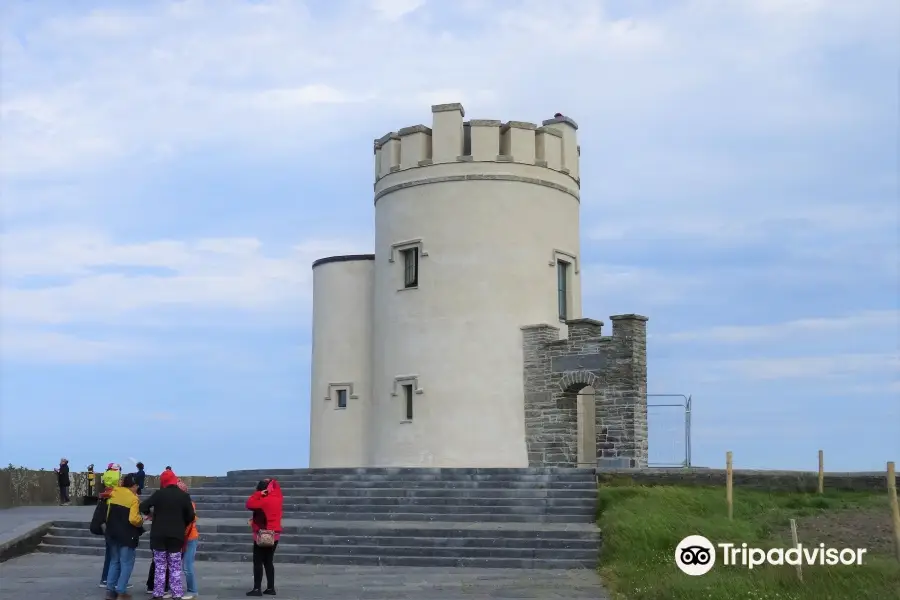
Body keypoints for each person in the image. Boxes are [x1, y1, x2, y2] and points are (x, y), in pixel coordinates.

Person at [140, 469, 195, 599]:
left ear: (163, 481)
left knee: (160, 565)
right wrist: (182, 522)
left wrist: (151, 515)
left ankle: (158, 593)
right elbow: (191, 516)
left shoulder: (159, 494)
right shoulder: (183, 496)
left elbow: (142, 506)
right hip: (176, 535)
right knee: (175, 566)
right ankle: (176, 593)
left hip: (158, 535)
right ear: (175, 479)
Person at [104, 473, 145, 599]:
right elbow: (133, 519)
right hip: (127, 535)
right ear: (133, 485)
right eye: (137, 486)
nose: (137, 489)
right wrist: (142, 520)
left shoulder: (113, 493)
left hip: (112, 533)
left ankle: (110, 591)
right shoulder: (133, 499)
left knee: (114, 561)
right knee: (126, 563)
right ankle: (121, 591)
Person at [245, 478, 283, 596]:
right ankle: (271, 588)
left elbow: (249, 504)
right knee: (268, 561)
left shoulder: (264, 500)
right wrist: (272, 482)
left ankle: (257, 589)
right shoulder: (278, 498)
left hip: (263, 535)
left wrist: (258, 494)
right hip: (275, 534)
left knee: (258, 561)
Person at [178, 479, 199, 599]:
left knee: (187, 566)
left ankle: (192, 590)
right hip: (181, 537)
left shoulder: (189, 504)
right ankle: (174, 588)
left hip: (189, 537)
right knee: (175, 565)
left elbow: (190, 521)